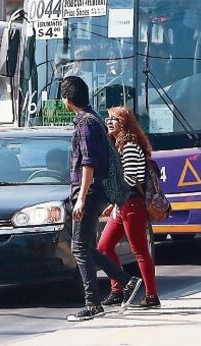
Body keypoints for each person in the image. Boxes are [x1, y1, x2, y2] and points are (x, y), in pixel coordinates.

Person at [62, 76, 140, 323]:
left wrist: (82, 198)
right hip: (96, 192)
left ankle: (93, 303)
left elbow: (88, 163)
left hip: (89, 191)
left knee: (79, 247)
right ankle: (126, 281)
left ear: (67, 100)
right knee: (82, 246)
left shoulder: (85, 123)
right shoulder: (94, 118)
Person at [97, 107, 161, 309]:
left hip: (132, 204)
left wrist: (113, 195)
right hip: (123, 204)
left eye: (113, 119)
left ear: (123, 122)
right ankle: (117, 289)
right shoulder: (120, 144)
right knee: (104, 247)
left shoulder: (130, 145)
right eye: (107, 119)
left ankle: (151, 296)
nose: (109, 122)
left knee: (140, 251)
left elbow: (130, 178)